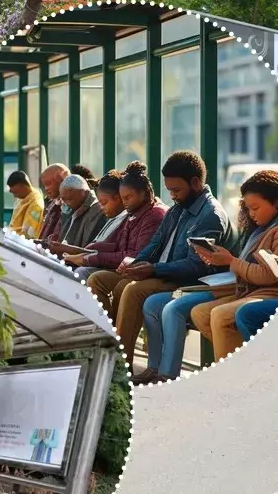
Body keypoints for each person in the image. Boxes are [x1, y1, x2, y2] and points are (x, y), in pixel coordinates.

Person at [87, 151, 232, 361]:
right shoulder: (177, 209)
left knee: (132, 290)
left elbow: (196, 266)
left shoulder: (210, 215)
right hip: (163, 273)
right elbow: (155, 244)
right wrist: (136, 265)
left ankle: (120, 361)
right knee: (105, 280)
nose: (172, 195)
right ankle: (110, 349)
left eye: (176, 190)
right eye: (169, 190)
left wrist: (153, 269)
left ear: (195, 183)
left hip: (186, 281)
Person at [188, 170, 278, 361]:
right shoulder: (262, 231)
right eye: (248, 209)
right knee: (200, 313)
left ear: (275, 203)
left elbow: (269, 276)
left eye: (255, 208)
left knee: (221, 315)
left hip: (273, 294)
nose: (251, 214)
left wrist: (231, 261)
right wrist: (221, 260)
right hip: (251, 292)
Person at [69, 161, 167, 282]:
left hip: (137, 272)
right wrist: (90, 251)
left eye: (128, 197)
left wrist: (90, 258)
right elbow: (118, 246)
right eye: (123, 198)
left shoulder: (154, 215)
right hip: (125, 268)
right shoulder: (133, 213)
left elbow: (136, 255)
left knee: (92, 277)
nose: (124, 203)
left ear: (143, 193)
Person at [54, 174, 106, 250]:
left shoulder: (98, 211)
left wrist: (65, 249)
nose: (68, 203)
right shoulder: (68, 210)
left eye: (70, 199)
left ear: (85, 192)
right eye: (64, 199)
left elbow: (90, 251)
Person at [7, 170, 44, 238]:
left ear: (22, 185)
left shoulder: (36, 204)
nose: (15, 196)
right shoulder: (23, 199)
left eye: (15, 193)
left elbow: (29, 233)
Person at [38, 164, 69, 243]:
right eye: (44, 185)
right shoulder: (52, 204)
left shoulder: (70, 206)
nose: (46, 189)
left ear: (62, 181)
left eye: (48, 183)